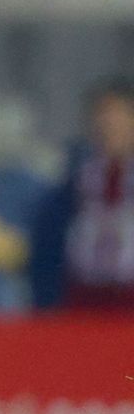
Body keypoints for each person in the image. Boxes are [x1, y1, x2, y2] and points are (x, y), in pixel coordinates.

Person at [30, 80, 134, 312]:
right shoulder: (73, 185)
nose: (108, 124)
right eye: (101, 114)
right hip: (83, 296)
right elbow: (49, 249)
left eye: (118, 115)